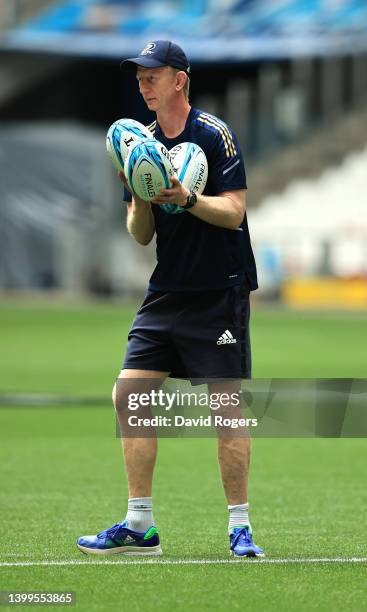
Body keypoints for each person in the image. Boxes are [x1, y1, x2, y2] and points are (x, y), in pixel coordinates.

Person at [77, 40, 264, 558]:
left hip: (219, 289)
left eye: (152, 75)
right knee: (128, 394)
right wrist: (138, 193)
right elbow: (139, 235)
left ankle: (240, 528)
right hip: (167, 290)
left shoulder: (214, 134)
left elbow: (234, 212)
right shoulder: (141, 143)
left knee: (225, 410)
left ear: (179, 79)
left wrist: (185, 197)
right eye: (138, 76)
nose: (143, 83)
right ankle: (140, 525)